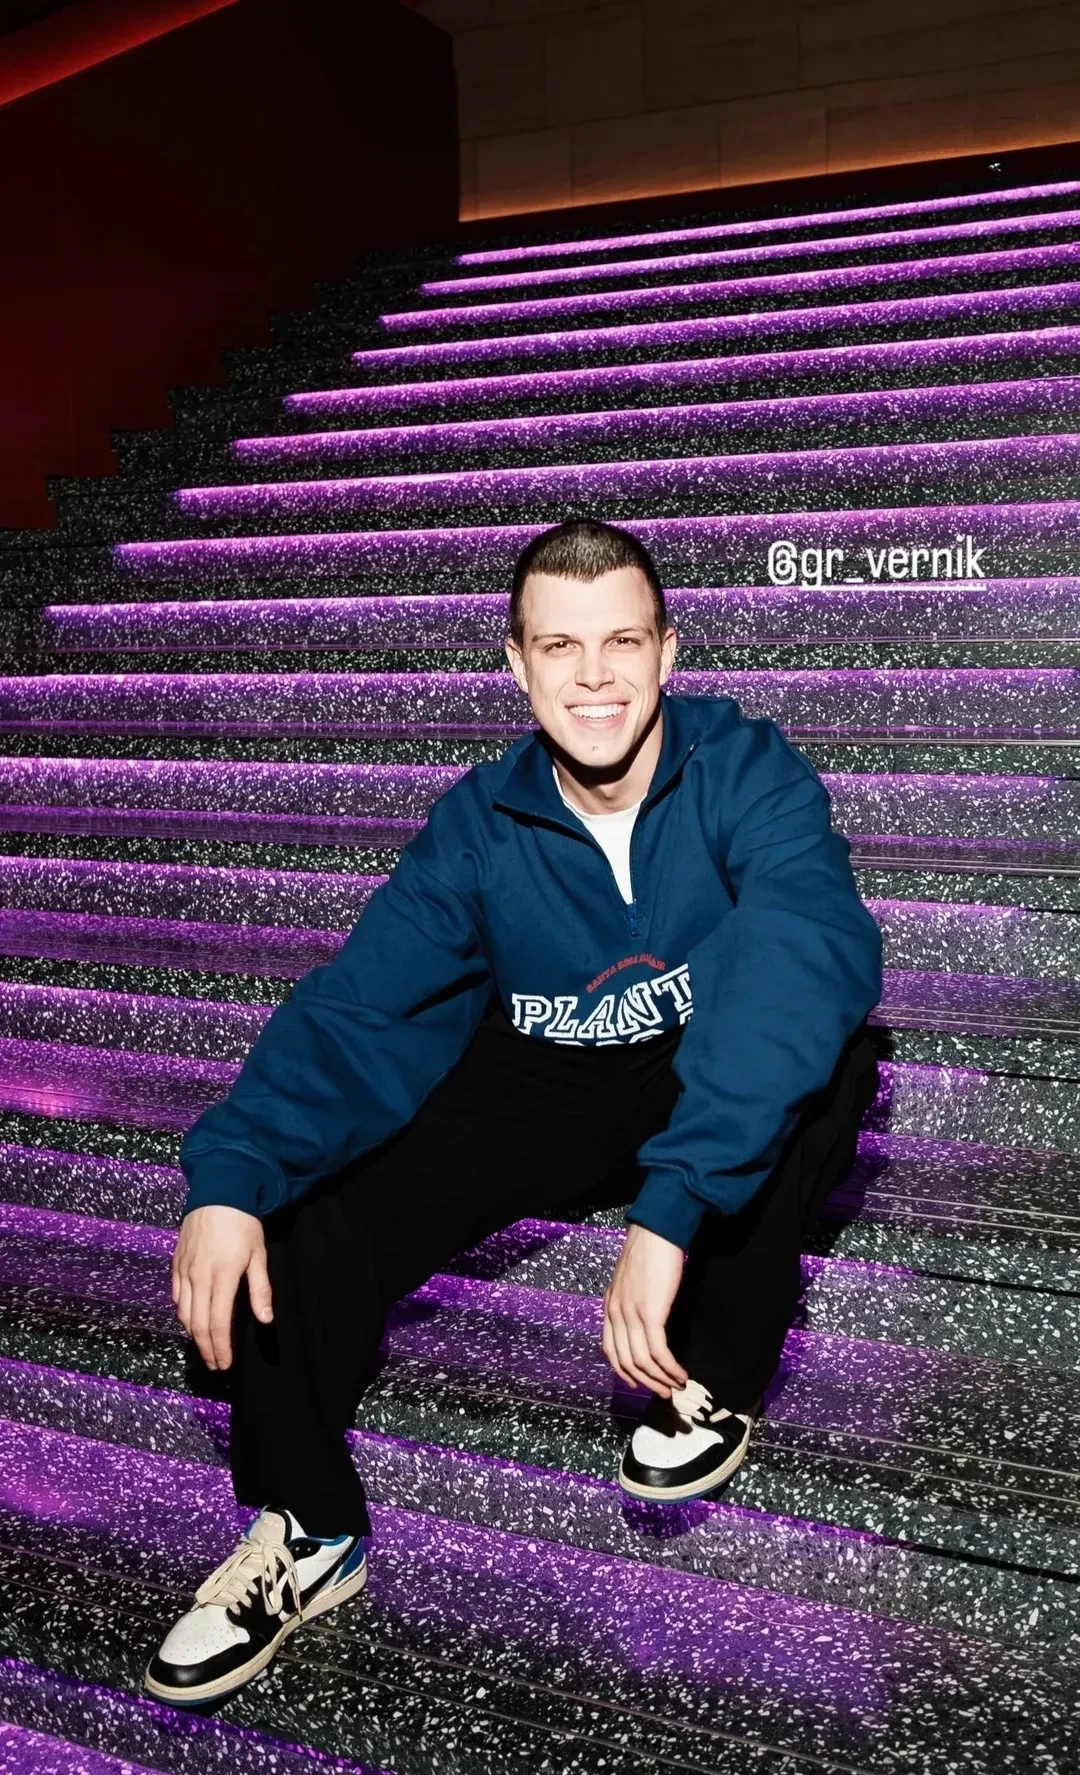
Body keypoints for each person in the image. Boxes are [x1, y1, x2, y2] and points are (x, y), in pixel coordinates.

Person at [144, 518, 883, 1708]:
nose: (594, 677)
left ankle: (710, 1375)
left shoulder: (747, 768)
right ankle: (306, 1529)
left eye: (622, 642)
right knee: (298, 1208)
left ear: (668, 652)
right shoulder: (479, 823)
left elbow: (809, 950)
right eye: (560, 647)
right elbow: (365, 1006)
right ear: (517, 665)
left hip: (709, 1062)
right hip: (558, 1073)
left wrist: (671, 1208)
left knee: (816, 1050)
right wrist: (233, 1177)